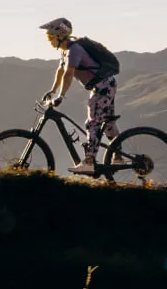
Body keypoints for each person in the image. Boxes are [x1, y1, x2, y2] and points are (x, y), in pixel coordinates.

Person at [39, 17, 120, 176]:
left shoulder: (74, 50)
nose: (49, 40)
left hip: (103, 86)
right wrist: (53, 90)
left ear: (60, 35)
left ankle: (89, 162)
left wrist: (61, 96)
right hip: (106, 85)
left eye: (50, 37)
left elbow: (69, 74)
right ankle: (118, 157)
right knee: (107, 122)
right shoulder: (66, 51)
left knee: (93, 122)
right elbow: (61, 71)